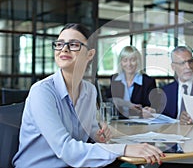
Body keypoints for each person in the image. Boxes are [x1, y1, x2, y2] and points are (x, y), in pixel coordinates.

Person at [12, 23, 164, 168]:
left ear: (90, 54)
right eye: (59, 44)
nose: (64, 49)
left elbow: (91, 131)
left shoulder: (90, 91)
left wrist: (99, 135)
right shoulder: (42, 91)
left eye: (73, 44)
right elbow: (66, 149)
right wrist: (124, 149)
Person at [106, 45, 157, 119]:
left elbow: (153, 106)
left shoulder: (148, 82)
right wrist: (128, 104)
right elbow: (109, 100)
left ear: (138, 61)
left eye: (132, 60)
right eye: (125, 60)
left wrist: (148, 111)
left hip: (141, 123)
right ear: (121, 62)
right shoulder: (115, 79)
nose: (129, 64)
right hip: (118, 122)